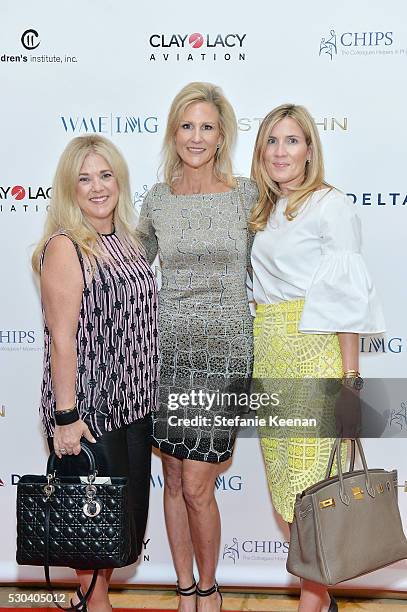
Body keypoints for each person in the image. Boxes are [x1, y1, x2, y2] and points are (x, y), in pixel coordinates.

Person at [249, 104, 385, 612]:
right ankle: (320, 596)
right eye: (271, 142)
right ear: (261, 152)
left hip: (315, 351)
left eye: (292, 141)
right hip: (270, 352)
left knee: (312, 490)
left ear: (310, 149)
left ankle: (311, 602)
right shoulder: (263, 211)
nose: (281, 152)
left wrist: (350, 382)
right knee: (285, 488)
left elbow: (347, 303)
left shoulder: (331, 205)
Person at [137, 82, 257, 612]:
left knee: (196, 483)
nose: (196, 136)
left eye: (207, 126)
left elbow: (285, 252)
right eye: (187, 125)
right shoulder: (158, 199)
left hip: (226, 352)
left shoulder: (246, 194)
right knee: (170, 477)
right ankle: (184, 591)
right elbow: (133, 268)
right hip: (168, 353)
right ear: (173, 131)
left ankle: (210, 590)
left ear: (221, 135)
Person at [32, 135, 159, 612]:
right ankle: (94, 605)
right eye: (84, 179)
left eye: (105, 175)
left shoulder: (125, 239)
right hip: (87, 413)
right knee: (89, 530)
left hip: (131, 405)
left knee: (116, 528)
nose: (97, 187)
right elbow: (62, 339)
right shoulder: (66, 246)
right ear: (70, 189)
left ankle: (94, 602)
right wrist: (65, 417)